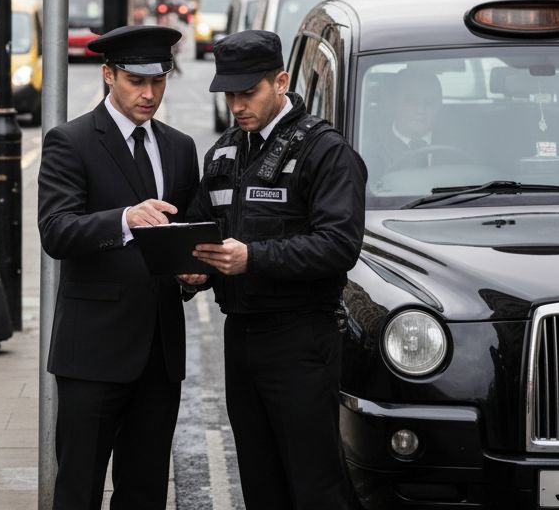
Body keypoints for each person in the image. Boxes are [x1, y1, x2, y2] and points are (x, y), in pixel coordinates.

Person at [190, 29, 367, 509]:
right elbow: (203, 231)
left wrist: (253, 258)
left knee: (314, 483)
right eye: (230, 94)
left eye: (249, 92)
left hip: (300, 338)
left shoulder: (325, 151)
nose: (237, 104)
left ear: (281, 81)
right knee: (260, 479)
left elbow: (338, 246)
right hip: (241, 336)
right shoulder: (224, 152)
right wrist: (194, 272)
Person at [38, 25, 204, 510]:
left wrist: (194, 273)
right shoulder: (70, 141)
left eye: (158, 81)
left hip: (158, 353)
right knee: (79, 488)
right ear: (109, 75)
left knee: (145, 489)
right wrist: (125, 219)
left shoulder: (178, 147)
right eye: (136, 81)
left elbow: (185, 235)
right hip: (92, 352)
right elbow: (56, 231)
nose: (149, 93)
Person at [374, 67, 443, 172]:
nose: (421, 110)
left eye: (429, 102)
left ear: (439, 106)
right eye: (411, 101)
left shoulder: (458, 144)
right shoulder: (371, 151)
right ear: (394, 103)